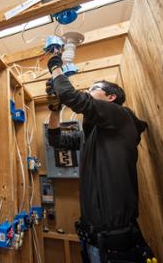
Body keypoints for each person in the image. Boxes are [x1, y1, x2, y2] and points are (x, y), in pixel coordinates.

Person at [45, 54, 155, 263]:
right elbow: (55, 139)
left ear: (111, 98)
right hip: (94, 241)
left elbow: (74, 98)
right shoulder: (93, 134)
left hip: (116, 244)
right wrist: (55, 109)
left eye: (94, 88)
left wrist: (55, 66)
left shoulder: (121, 116)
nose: (88, 90)